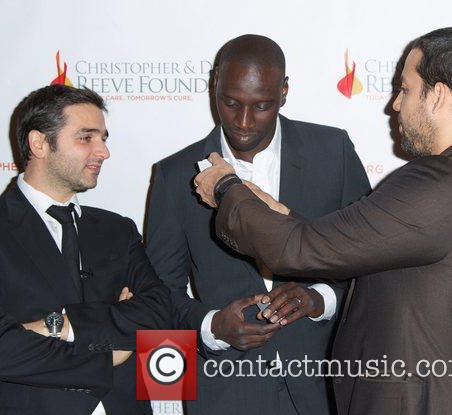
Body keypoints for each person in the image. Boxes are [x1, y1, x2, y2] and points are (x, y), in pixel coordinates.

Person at [195, 27, 452, 415]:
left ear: (438, 96)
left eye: (405, 89)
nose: (395, 106)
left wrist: (227, 188)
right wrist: (278, 212)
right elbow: (358, 244)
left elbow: (296, 250)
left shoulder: (443, 180)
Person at [146, 34, 370, 414]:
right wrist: (213, 327)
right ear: (213, 84)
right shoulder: (173, 175)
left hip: (326, 388)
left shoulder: (333, 152)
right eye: (230, 103)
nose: (243, 122)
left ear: (284, 92)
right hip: (224, 394)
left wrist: (320, 298)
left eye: (262, 106)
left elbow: (371, 260)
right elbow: (155, 295)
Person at [0, 84, 174, 414]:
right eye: (86, 137)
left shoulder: (119, 229)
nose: (103, 151)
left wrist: (59, 326)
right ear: (39, 143)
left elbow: (160, 312)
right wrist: (109, 352)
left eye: (103, 138)